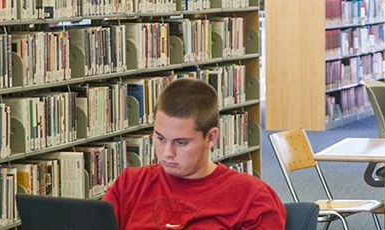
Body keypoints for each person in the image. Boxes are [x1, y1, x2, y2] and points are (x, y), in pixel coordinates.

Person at [103, 78, 285, 229]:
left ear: (211, 138)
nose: (167, 153)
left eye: (181, 143)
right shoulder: (128, 185)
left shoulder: (251, 197)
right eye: (160, 139)